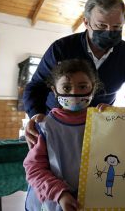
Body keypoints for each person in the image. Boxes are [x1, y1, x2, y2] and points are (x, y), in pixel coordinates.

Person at [23, 0, 125, 148]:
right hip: (57, 125)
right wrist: (36, 115)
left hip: (100, 129)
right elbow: (35, 87)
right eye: (101, 25)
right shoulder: (61, 49)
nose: (109, 32)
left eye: (116, 27)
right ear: (86, 22)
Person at [23, 59, 102, 211]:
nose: (74, 93)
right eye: (66, 87)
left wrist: (112, 117)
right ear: (54, 90)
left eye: (83, 86)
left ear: (93, 88)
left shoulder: (102, 122)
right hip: (54, 201)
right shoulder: (45, 126)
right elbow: (34, 168)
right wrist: (60, 194)